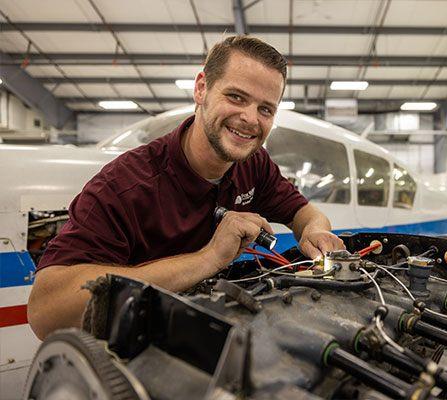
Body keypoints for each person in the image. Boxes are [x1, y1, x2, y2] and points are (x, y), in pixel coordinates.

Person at [28, 36, 345, 340]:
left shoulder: (254, 164)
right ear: (201, 88)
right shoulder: (125, 185)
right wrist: (208, 258)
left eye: (266, 109)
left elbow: (305, 212)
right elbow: (46, 313)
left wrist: (315, 232)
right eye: (236, 97)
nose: (250, 118)